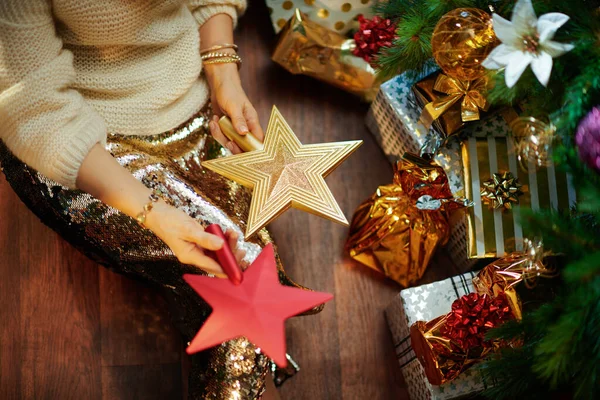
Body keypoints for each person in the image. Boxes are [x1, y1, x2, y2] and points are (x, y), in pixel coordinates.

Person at [0, 1, 320, 398]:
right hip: (87, 143)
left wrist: (222, 72)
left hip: (192, 103)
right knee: (242, 290)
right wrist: (153, 213)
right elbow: (34, 108)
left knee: (245, 279)